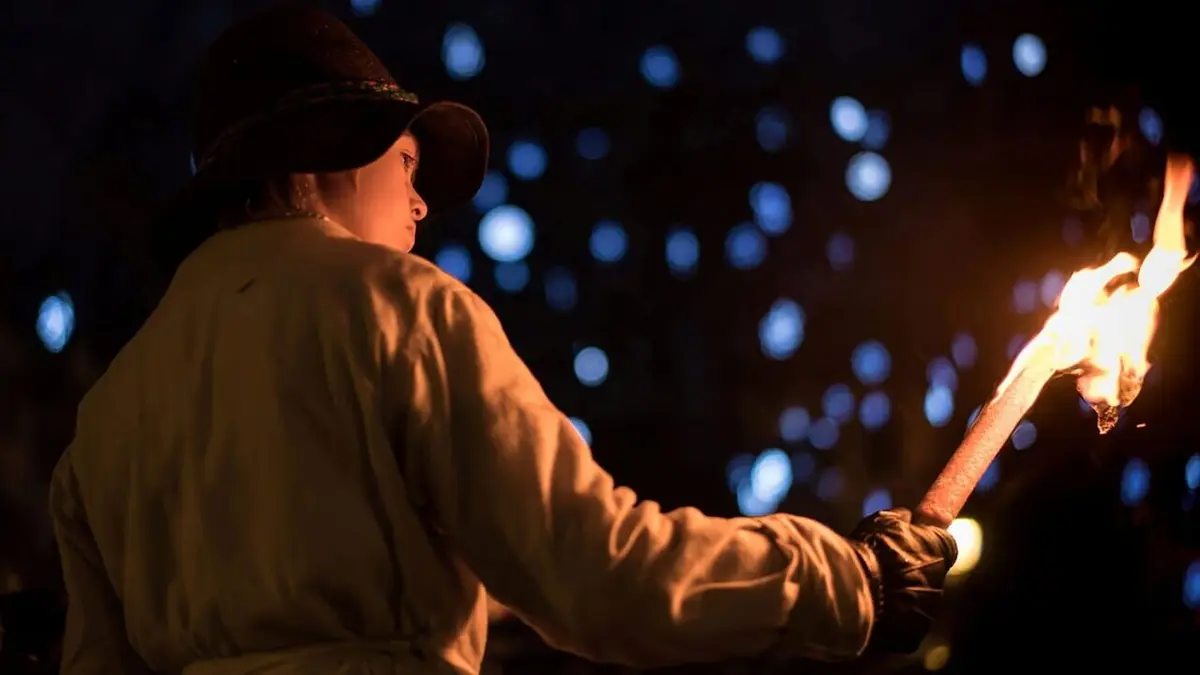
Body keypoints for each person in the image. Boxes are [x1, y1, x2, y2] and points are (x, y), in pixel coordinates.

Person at [48, 4, 957, 674]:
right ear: (323, 155)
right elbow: (598, 575)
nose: (420, 201)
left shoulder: (107, 416)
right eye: (405, 162)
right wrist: (844, 577)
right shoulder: (401, 309)